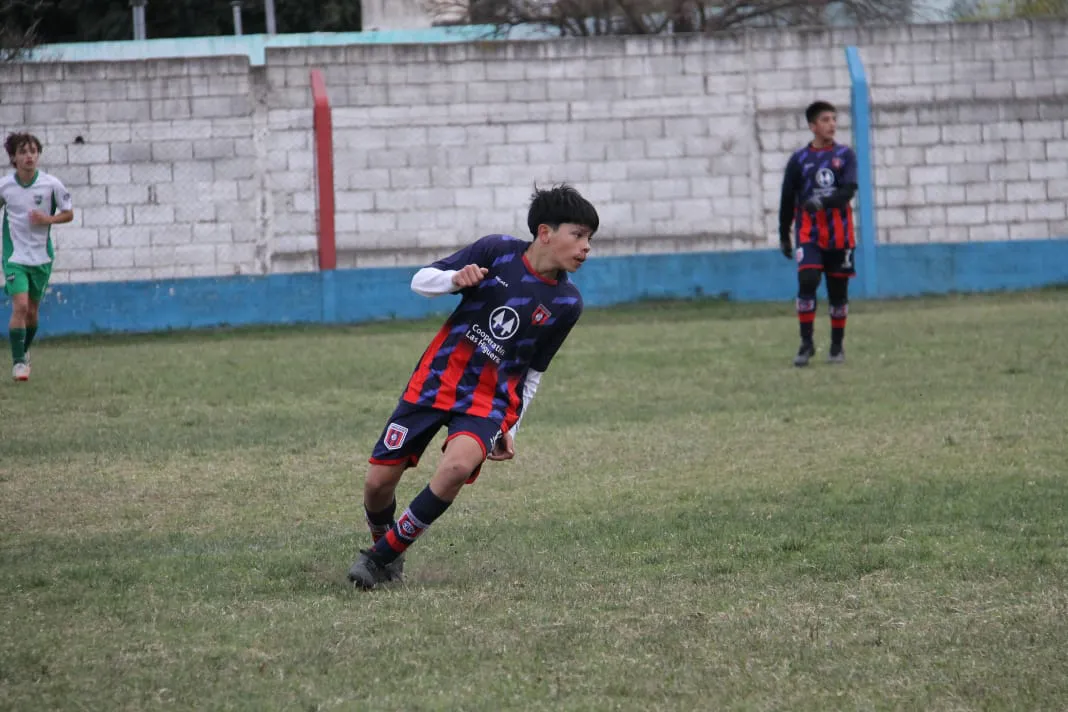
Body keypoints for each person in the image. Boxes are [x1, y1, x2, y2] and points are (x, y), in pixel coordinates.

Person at [347, 184, 598, 590]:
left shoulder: (567, 303)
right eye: (579, 235)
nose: (586, 247)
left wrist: (511, 429)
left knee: (457, 467)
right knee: (377, 484)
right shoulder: (497, 251)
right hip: (435, 382)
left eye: (590, 239)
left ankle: (379, 559)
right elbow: (421, 281)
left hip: (488, 401)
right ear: (546, 232)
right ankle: (388, 550)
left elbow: (533, 374)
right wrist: (453, 280)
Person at [778, 101, 858, 367]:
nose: (832, 124)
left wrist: (822, 202)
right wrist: (784, 234)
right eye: (825, 120)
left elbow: (848, 191)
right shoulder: (799, 160)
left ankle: (836, 346)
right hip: (809, 234)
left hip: (840, 235)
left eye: (834, 119)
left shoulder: (846, 155)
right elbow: (787, 199)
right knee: (808, 281)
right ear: (813, 126)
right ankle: (806, 344)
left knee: (838, 292)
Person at [1, 132, 74, 382]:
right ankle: (19, 362)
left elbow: (69, 213)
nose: (29, 156)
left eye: (33, 151)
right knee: (20, 306)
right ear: (13, 157)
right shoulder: (5, 186)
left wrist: (48, 219)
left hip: (41, 257)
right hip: (15, 256)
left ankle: (24, 350)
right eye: (23, 152)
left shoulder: (51, 184)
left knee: (32, 312)